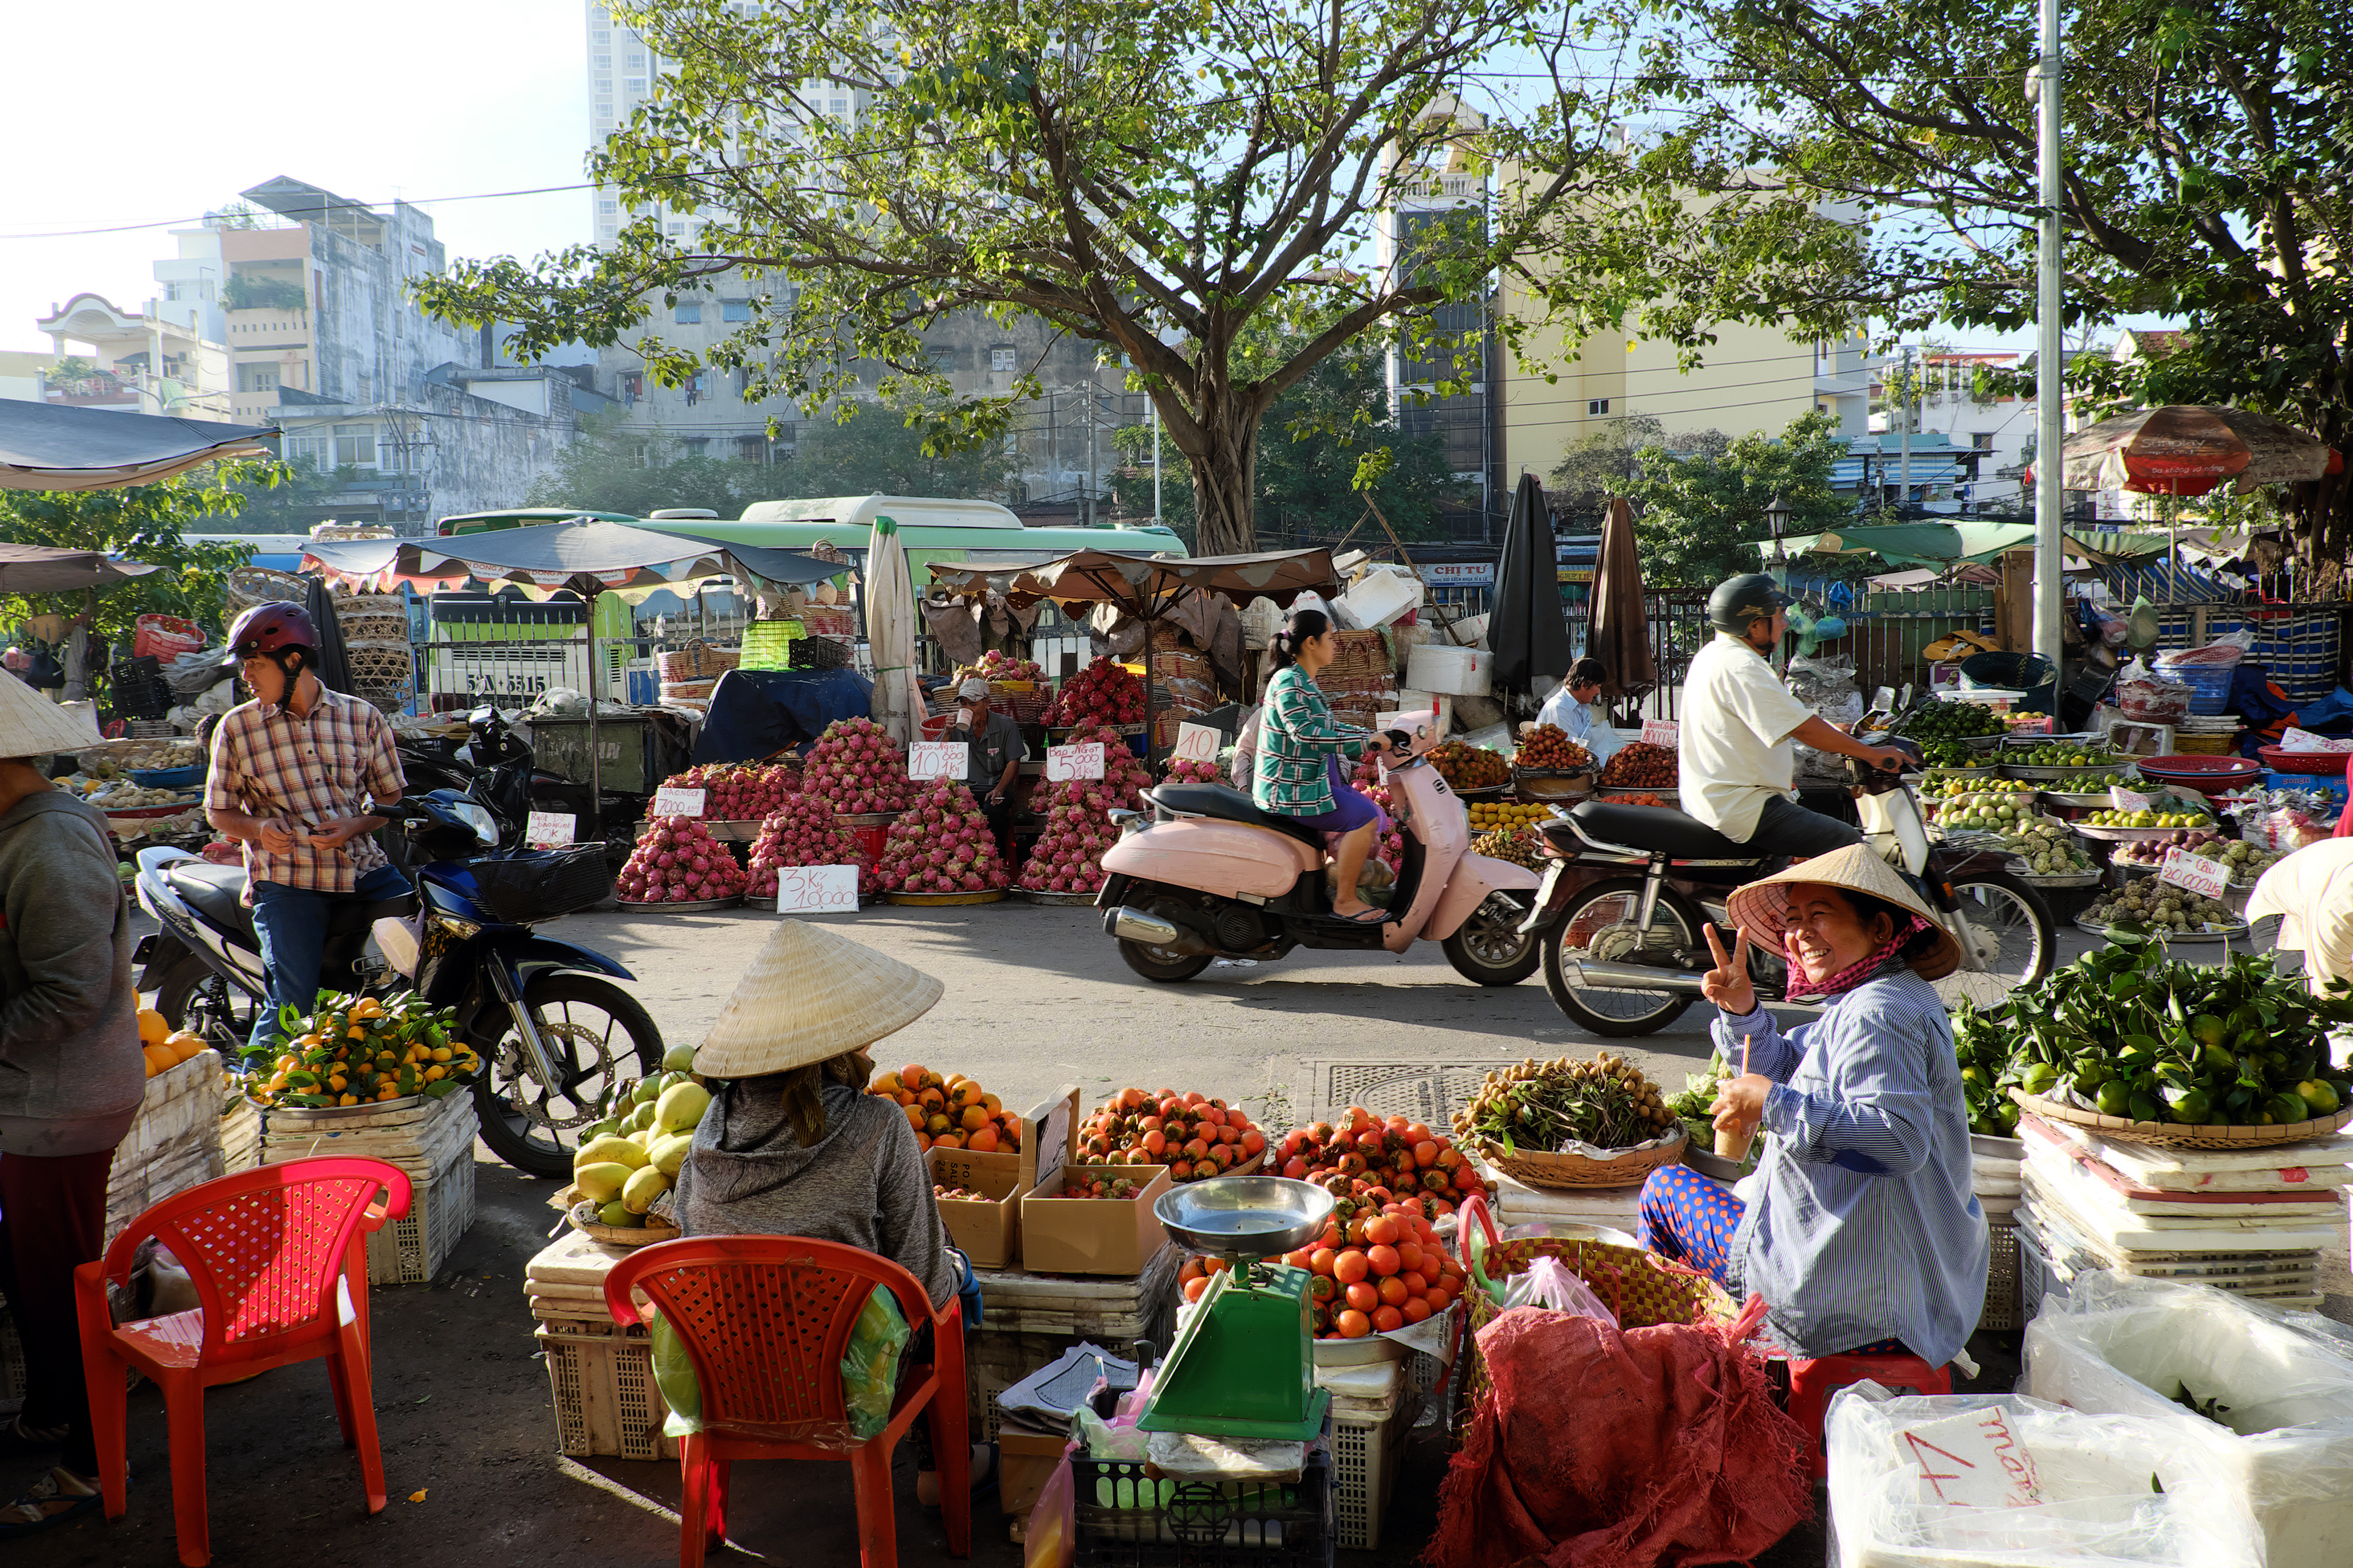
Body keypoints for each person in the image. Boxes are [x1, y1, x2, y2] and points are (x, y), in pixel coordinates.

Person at [673, 919, 990, 1501]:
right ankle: (938, 1471)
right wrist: (957, 1272)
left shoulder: (707, 1131)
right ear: (845, 1046)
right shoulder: (879, 1125)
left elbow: (686, 1228)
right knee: (956, 1286)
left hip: (729, 1368)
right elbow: (924, 1279)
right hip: (846, 1374)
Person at [1634, 846, 1987, 1368]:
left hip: (1859, 1302)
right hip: (1897, 1285)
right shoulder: (1873, 997)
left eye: (1820, 915)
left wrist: (1772, 1104)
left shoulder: (1878, 1012)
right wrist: (1742, 1011)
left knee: (1664, 1191)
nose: (1800, 934)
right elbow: (1785, 1065)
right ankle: (1714, 1353)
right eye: (1793, 921)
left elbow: (1897, 1140)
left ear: (1881, 929)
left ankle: (1681, 1368)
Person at [0, 676, 145, 1537]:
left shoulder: (49, 843)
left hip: (62, 1099)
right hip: (33, 1092)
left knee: (62, 1285)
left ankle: (91, 1462)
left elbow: (72, 991)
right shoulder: (19, 831)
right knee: (27, 1266)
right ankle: (53, 1407)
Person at [202, 602, 408, 1054]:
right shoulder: (237, 728)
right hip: (289, 880)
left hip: (365, 869)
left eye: (254, 664)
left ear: (293, 661)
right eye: (245, 666)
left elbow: (391, 797)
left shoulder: (362, 717)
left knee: (431, 952)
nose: (247, 677)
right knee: (292, 1006)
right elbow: (218, 812)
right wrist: (258, 828)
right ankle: (255, 1104)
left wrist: (355, 825)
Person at [1684, 574, 1912, 859]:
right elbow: (1804, 730)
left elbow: (1784, 719)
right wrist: (1870, 754)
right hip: (1744, 807)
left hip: (1718, 799)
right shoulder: (1742, 665)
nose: (1785, 623)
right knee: (1847, 842)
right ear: (1754, 625)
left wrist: (1836, 731)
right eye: (1779, 616)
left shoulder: (1714, 654)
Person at [1253, 608, 1386, 923]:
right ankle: (1345, 901)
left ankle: (1333, 886)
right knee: (1366, 818)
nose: (1335, 644)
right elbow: (1305, 734)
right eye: (1330, 638)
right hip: (1288, 790)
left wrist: (1374, 736)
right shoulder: (1289, 681)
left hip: (1309, 783)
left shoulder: (1305, 681)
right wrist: (1366, 742)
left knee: (1376, 814)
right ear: (1311, 643)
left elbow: (1331, 728)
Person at [2248, 838, 2353, 994]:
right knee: (2305, 995)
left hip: (2324, 880)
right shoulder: (2341, 907)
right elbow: (2329, 981)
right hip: (2280, 908)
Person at [945, 676, 1023, 863]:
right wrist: (947, 732)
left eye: (973, 704)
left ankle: (994, 860)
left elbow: (1013, 760)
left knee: (994, 812)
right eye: (963, 703)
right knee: (946, 816)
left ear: (986, 703)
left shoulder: (1005, 725)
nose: (967, 709)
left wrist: (999, 789)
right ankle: (958, 864)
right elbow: (941, 757)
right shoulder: (956, 727)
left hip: (996, 788)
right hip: (965, 790)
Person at [1534, 657, 1625, 765]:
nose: (1599, 692)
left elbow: (1584, 745)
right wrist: (1605, 760)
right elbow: (1569, 750)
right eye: (1598, 687)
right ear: (1584, 685)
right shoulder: (1559, 708)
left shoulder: (1582, 708)